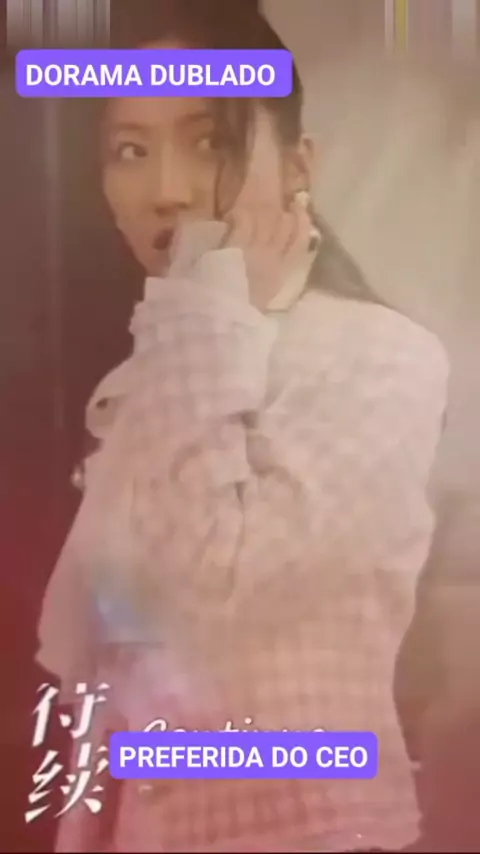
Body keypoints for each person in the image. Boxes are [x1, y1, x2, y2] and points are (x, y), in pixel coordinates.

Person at [36, 3, 448, 852]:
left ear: (299, 167)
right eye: (129, 151)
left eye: (210, 141)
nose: (168, 189)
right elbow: (111, 672)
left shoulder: (381, 356)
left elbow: (207, 605)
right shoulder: (154, 373)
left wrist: (201, 317)